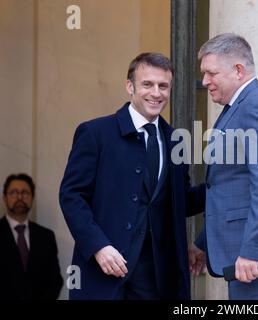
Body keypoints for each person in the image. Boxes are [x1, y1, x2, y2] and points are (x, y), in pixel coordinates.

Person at [59, 52, 205, 300]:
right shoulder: (95, 133)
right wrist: (99, 246)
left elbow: (181, 201)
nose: (156, 93)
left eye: (163, 86)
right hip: (104, 271)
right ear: (130, 86)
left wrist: (224, 186)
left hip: (157, 280)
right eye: (147, 84)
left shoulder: (175, 141)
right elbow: (72, 196)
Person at [189, 33, 258, 300]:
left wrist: (252, 251)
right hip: (248, 252)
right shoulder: (238, 106)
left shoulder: (257, 106)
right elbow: (229, 186)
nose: (205, 82)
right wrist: (205, 242)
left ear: (238, 70)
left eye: (211, 73)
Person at [0, 173, 63, 300]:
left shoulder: (46, 236)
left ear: (32, 198)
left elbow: (55, 280)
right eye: (13, 192)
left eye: (25, 193)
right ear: (5, 198)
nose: (19, 197)